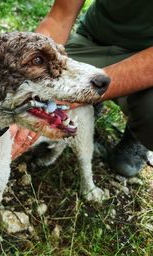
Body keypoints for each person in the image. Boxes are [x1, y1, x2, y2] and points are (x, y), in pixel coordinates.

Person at [11, 0, 153, 177]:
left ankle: (135, 135)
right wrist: (28, 81)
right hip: (94, 41)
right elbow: (60, 16)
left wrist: (82, 91)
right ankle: (91, 105)